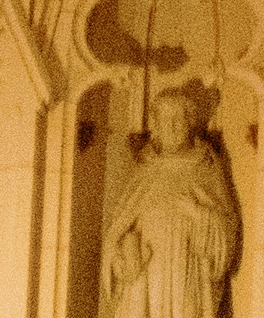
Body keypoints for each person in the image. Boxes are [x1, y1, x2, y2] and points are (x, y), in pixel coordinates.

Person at [101, 76, 242, 318]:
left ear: (191, 124)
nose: (172, 126)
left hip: (187, 272)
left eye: (179, 119)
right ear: (155, 125)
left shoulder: (205, 168)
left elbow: (228, 232)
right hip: (146, 275)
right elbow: (116, 231)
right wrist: (124, 250)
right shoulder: (145, 170)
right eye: (165, 119)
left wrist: (198, 214)